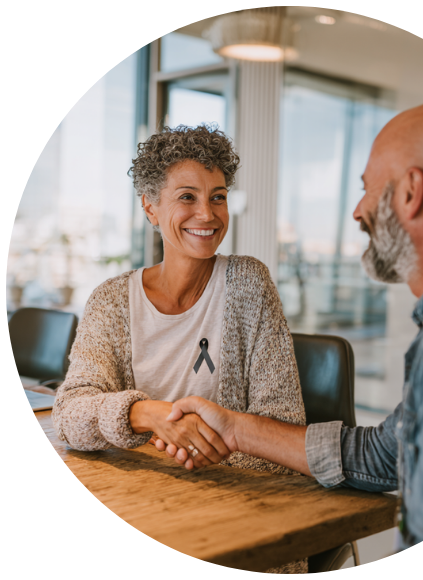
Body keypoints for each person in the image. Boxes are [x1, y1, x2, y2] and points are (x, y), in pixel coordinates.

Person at [155, 102, 423, 550]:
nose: (357, 211)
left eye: (368, 188)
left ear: (411, 192)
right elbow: (380, 455)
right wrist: (235, 429)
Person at [52, 124, 308, 574]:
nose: (207, 214)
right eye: (187, 197)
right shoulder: (111, 300)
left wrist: (194, 451)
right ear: (151, 207)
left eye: (218, 196)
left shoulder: (249, 283)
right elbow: (70, 415)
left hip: (239, 516)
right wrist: (148, 415)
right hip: (143, 506)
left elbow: (284, 428)